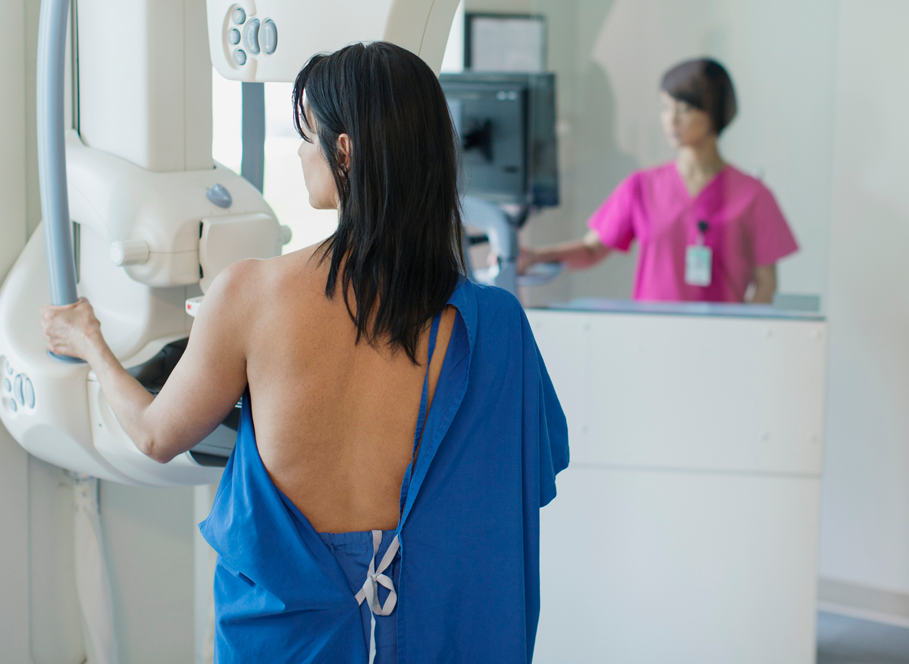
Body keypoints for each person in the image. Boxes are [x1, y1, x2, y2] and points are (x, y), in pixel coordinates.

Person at [40, 42, 569, 664]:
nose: (300, 153)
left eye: (308, 136)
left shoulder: (247, 294)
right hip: (435, 632)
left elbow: (157, 436)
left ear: (343, 152)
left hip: (289, 640)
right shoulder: (495, 323)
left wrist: (90, 343)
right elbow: (517, 486)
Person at [520, 58, 797, 303]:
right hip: (651, 340)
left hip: (721, 344)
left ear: (716, 112)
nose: (671, 121)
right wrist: (532, 257)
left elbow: (766, 285)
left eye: (685, 108)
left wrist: (742, 339)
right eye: (666, 108)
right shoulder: (642, 186)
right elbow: (592, 249)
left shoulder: (753, 196)